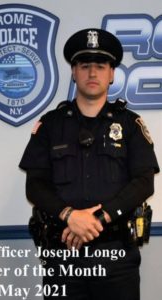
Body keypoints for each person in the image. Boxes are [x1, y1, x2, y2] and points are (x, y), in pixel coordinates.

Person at [19, 28, 159, 300]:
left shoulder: (130, 124)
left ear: (111, 74)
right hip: (62, 257)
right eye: (84, 66)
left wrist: (98, 218)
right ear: (73, 72)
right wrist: (70, 215)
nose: (92, 73)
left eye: (100, 66)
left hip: (116, 258)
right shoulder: (50, 125)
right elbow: (35, 186)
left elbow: (144, 182)